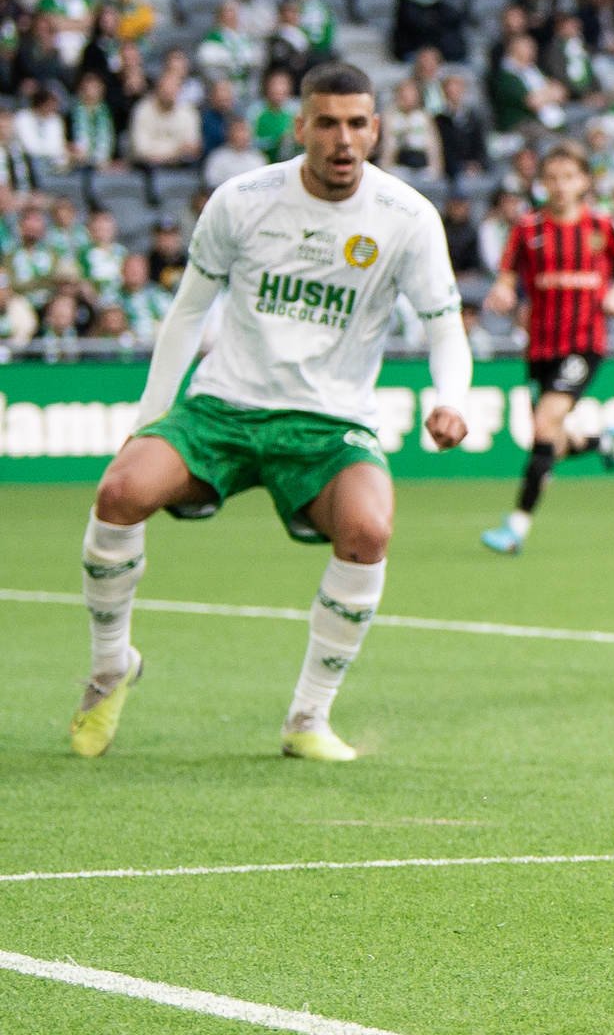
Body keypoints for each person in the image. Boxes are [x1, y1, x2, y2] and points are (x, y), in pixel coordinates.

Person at [70, 63, 472, 764]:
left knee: (369, 529)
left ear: (376, 128)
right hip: (223, 408)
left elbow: (444, 325)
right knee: (120, 491)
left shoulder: (407, 217)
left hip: (327, 425)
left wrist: (452, 399)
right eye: (328, 123)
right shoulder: (243, 199)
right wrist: (148, 416)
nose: (344, 140)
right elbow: (189, 311)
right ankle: (110, 670)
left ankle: (308, 717)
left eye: (357, 123)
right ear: (301, 127)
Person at [481, 144, 614, 555]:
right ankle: (599, 442)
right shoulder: (527, 229)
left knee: (541, 427)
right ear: (541, 182)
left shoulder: (601, 226)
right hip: (540, 346)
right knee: (549, 435)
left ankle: (516, 526)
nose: (560, 186)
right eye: (552, 177)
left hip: (584, 342)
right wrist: (501, 290)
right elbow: (506, 274)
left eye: (569, 177)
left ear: (585, 181)